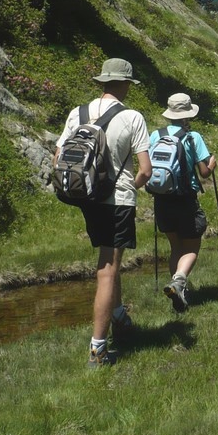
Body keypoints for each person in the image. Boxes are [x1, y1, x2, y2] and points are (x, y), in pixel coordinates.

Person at [53, 58, 151, 367]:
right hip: (116, 199)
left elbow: (58, 155)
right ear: (125, 85)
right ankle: (98, 348)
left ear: (103, 82)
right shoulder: (132, 117)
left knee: (111, 260)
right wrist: (130, 187)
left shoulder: (78, 113)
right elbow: (145, 171)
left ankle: (120, 318)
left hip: (87, 197)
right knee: (107, 269)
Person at [149, 92, 217, 313]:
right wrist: (213, 164)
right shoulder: (192, 137)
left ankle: (179, 292)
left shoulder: (155, 135)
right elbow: (204, 172)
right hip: (185, 199)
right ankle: (179, 282)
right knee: (192, 246)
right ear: (188, 115)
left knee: (175, 246)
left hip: (161, 199)